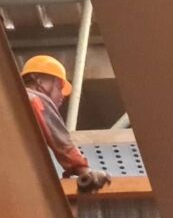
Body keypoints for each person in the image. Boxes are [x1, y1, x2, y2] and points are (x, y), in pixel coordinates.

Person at [21, 54, 110, 193]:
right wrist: (84, 171)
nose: (62, 95)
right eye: (59, 86)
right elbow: (62, 143)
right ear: (38, 80)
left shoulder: (11, 98)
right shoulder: (35, 99)